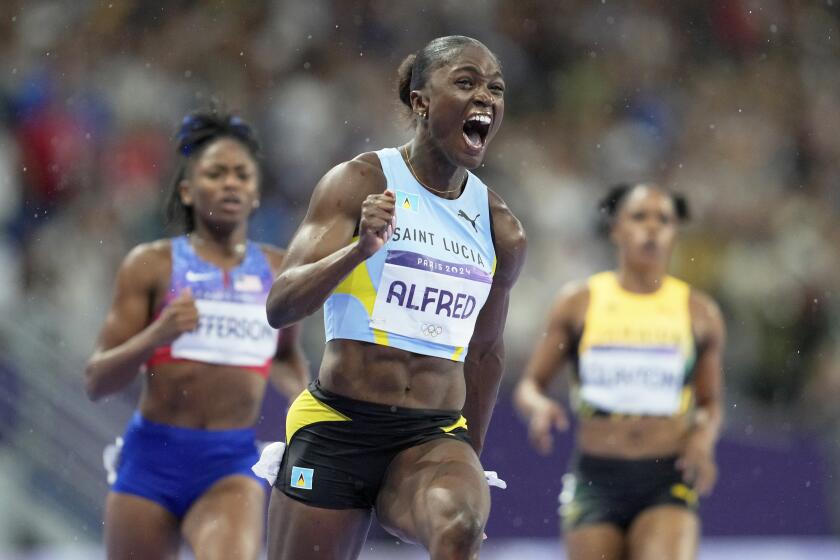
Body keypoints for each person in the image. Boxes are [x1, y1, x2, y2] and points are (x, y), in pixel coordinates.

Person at [260, 35, 526, 560]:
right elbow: (280, 305)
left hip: (430, 437)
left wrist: (467, 460)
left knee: (459, 530)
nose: (486, 98)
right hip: (339, 425)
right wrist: (358, 251)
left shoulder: (501, 229)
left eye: (495, 88)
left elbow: (486, 352)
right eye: (466, 82)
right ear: (420, 101)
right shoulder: (358, 182)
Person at [85, 110, 309, 560]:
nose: (230, 183)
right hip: (150, 461)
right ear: (188, 190)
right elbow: (97, 382)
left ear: (255, 193)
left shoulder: (278, 268)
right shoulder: (151, 265)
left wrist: (306, 403)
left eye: (241, 174)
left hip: (228, 463)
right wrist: (156, 335)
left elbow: (285, 354)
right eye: (216, 173)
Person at [514, 183, 725, 560]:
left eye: (664, 220)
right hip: (596, 479)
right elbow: (531, 384)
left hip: (666, 476)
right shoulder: (578, 303)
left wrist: (703, 438)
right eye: (639, 217)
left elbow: (710, 402)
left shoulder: (699, 312)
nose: (652, 228)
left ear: (675, 232)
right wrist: (538, 409)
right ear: (616, 229)